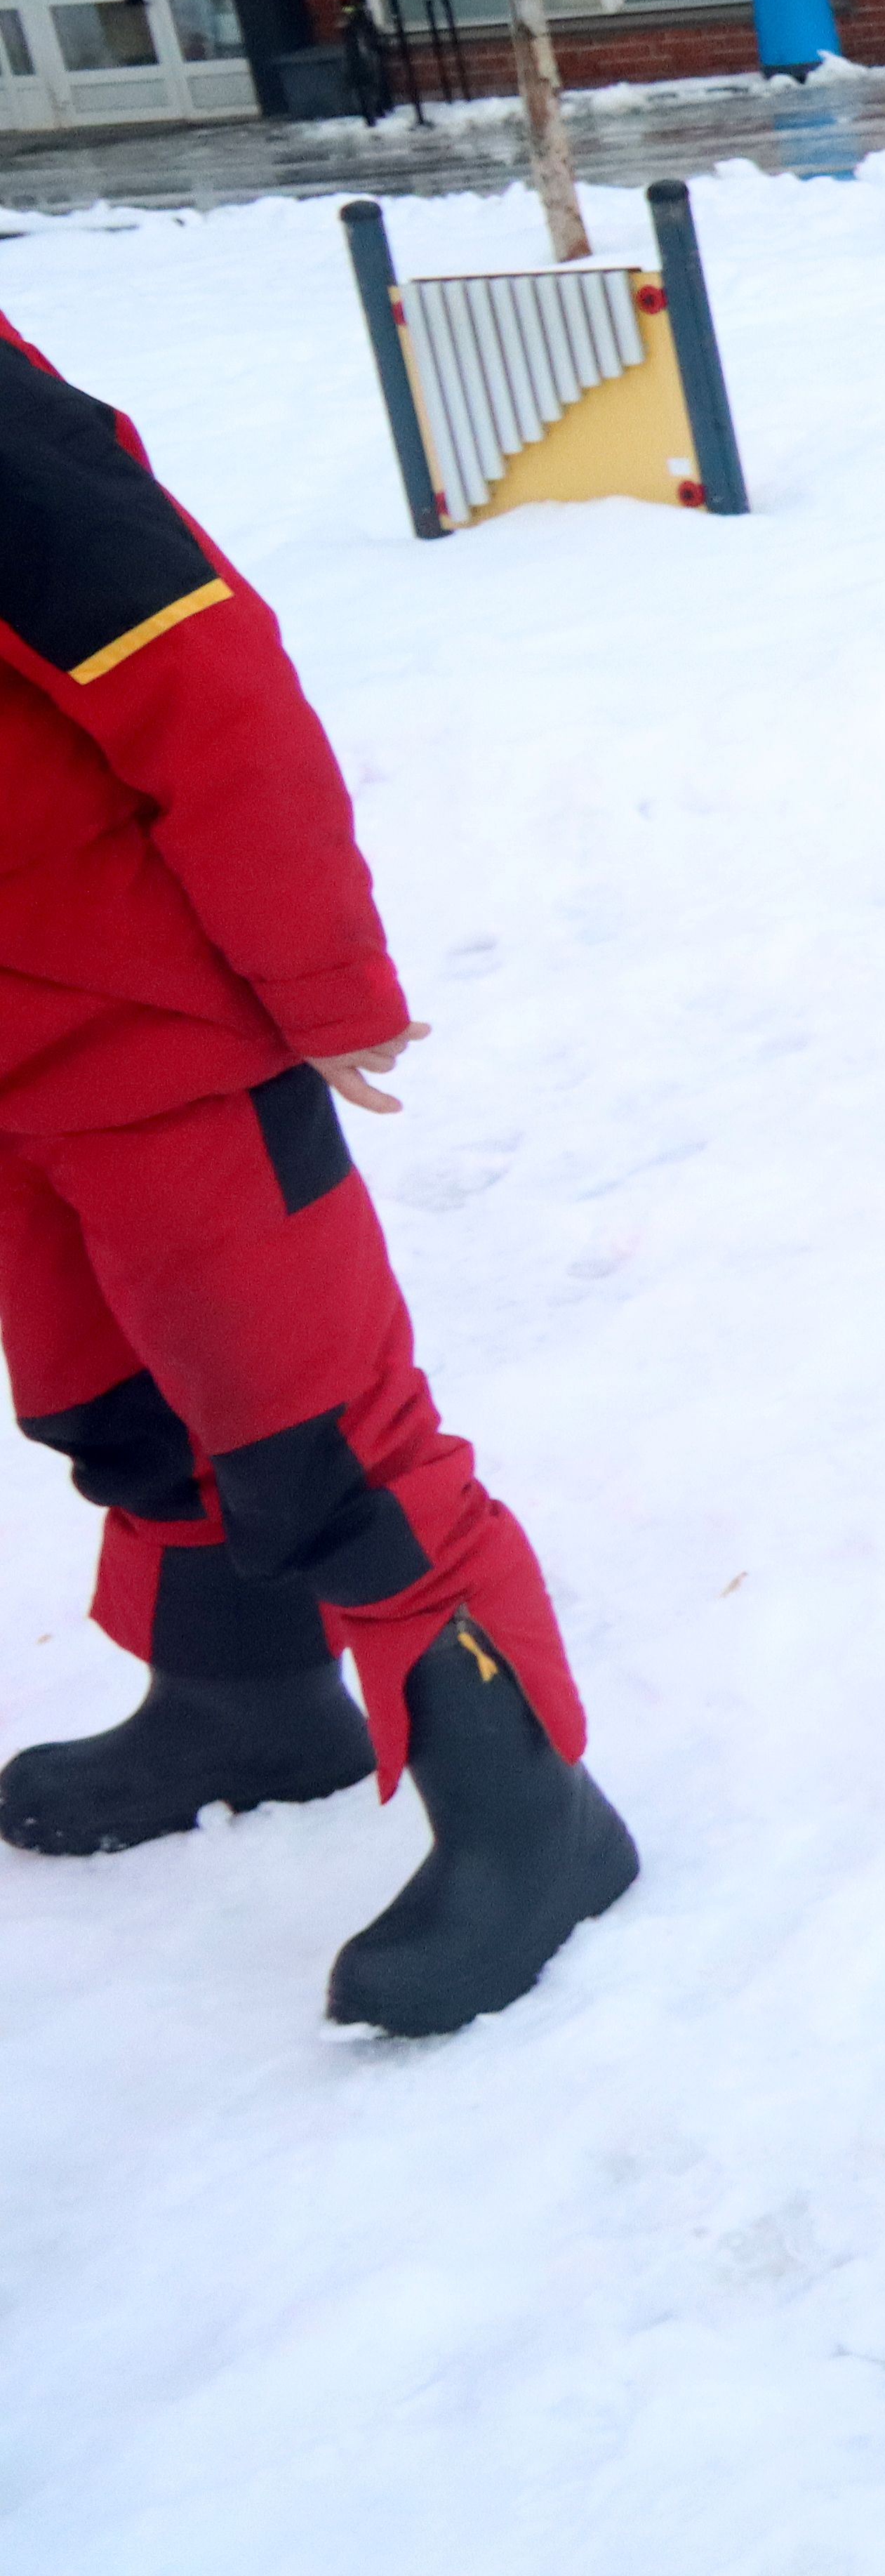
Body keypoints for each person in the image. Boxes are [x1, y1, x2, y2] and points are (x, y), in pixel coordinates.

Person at [0, 310, 637, 2037]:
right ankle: (243, 1703)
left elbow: (212, 690)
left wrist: (326, 987)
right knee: (115, 1404)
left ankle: (535, 1815)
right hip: (12, 1059)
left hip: (160, 1034)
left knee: (319, 1435)